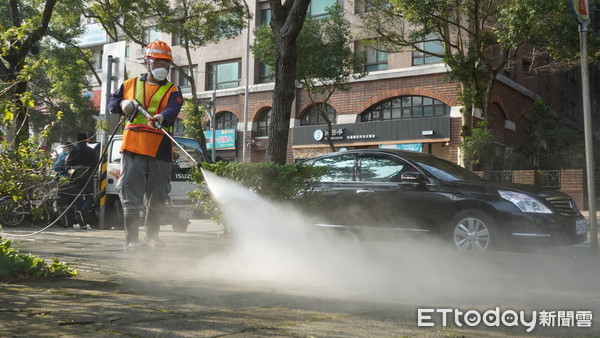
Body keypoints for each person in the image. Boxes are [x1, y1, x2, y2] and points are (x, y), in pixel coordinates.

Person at [108, 40, 183, 249]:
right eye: (159, 62)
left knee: (158, 195)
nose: (163, 68)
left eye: (167, 64)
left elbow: (173, 110)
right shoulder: (129, 84)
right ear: (147, 63)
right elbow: (112, 104)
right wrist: (123, 104)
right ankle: (132, 240)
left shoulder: (173, 90)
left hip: (160, 148)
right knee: (131, 195)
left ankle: (152, 237)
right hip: (134, 146)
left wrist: (161, 116)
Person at [66, 133, 98, 229]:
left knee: (77, 195)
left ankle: (81, 215)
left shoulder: (73, 150)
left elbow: (68, 162)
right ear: (86, 140)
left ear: (77, 140)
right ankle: (83, 212)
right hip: (88, 174)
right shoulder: (91, 151)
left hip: (75, 174)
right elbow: (96, 164)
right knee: (89, 196)